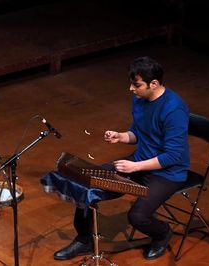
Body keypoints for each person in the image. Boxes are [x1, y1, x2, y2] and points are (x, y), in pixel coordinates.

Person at [53, 56, 190, 260]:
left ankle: (162, 233)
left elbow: (173, 155)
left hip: (168, 173)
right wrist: (122, 136)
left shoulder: (174, 109)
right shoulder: (140, 99)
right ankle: (84, 240)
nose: (131, 89)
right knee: (85, 184)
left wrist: (135, 167)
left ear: (154, 84)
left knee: (137, 216)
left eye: (136, 84)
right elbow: (139, 133)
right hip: (138, 163)